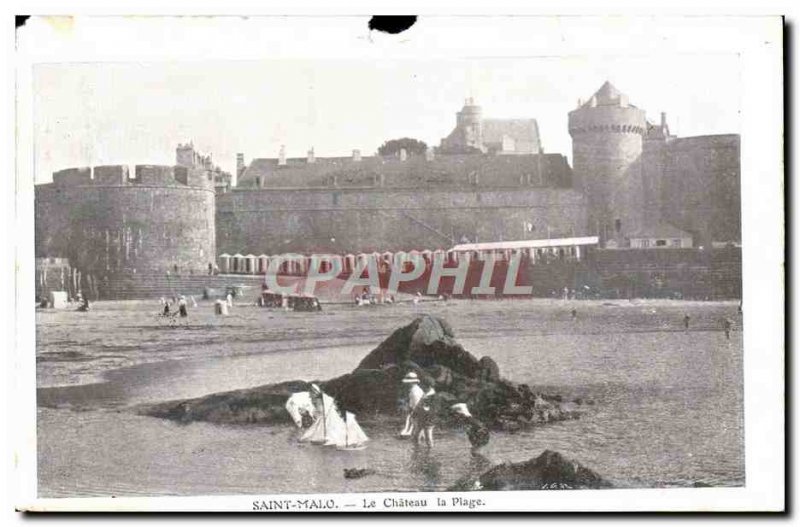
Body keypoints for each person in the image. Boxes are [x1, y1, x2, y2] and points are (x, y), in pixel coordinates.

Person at [400, 372, 425, 437]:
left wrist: (412, 411)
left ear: (412, 383)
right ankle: (409, 431)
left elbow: (417, 405)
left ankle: (414, 432)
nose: (407, 384)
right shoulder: (412, 390)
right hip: (415, 409)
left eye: (408, 383)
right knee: (409, 416)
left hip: (420, 410)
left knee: (412, 417)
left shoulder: (415, 391)